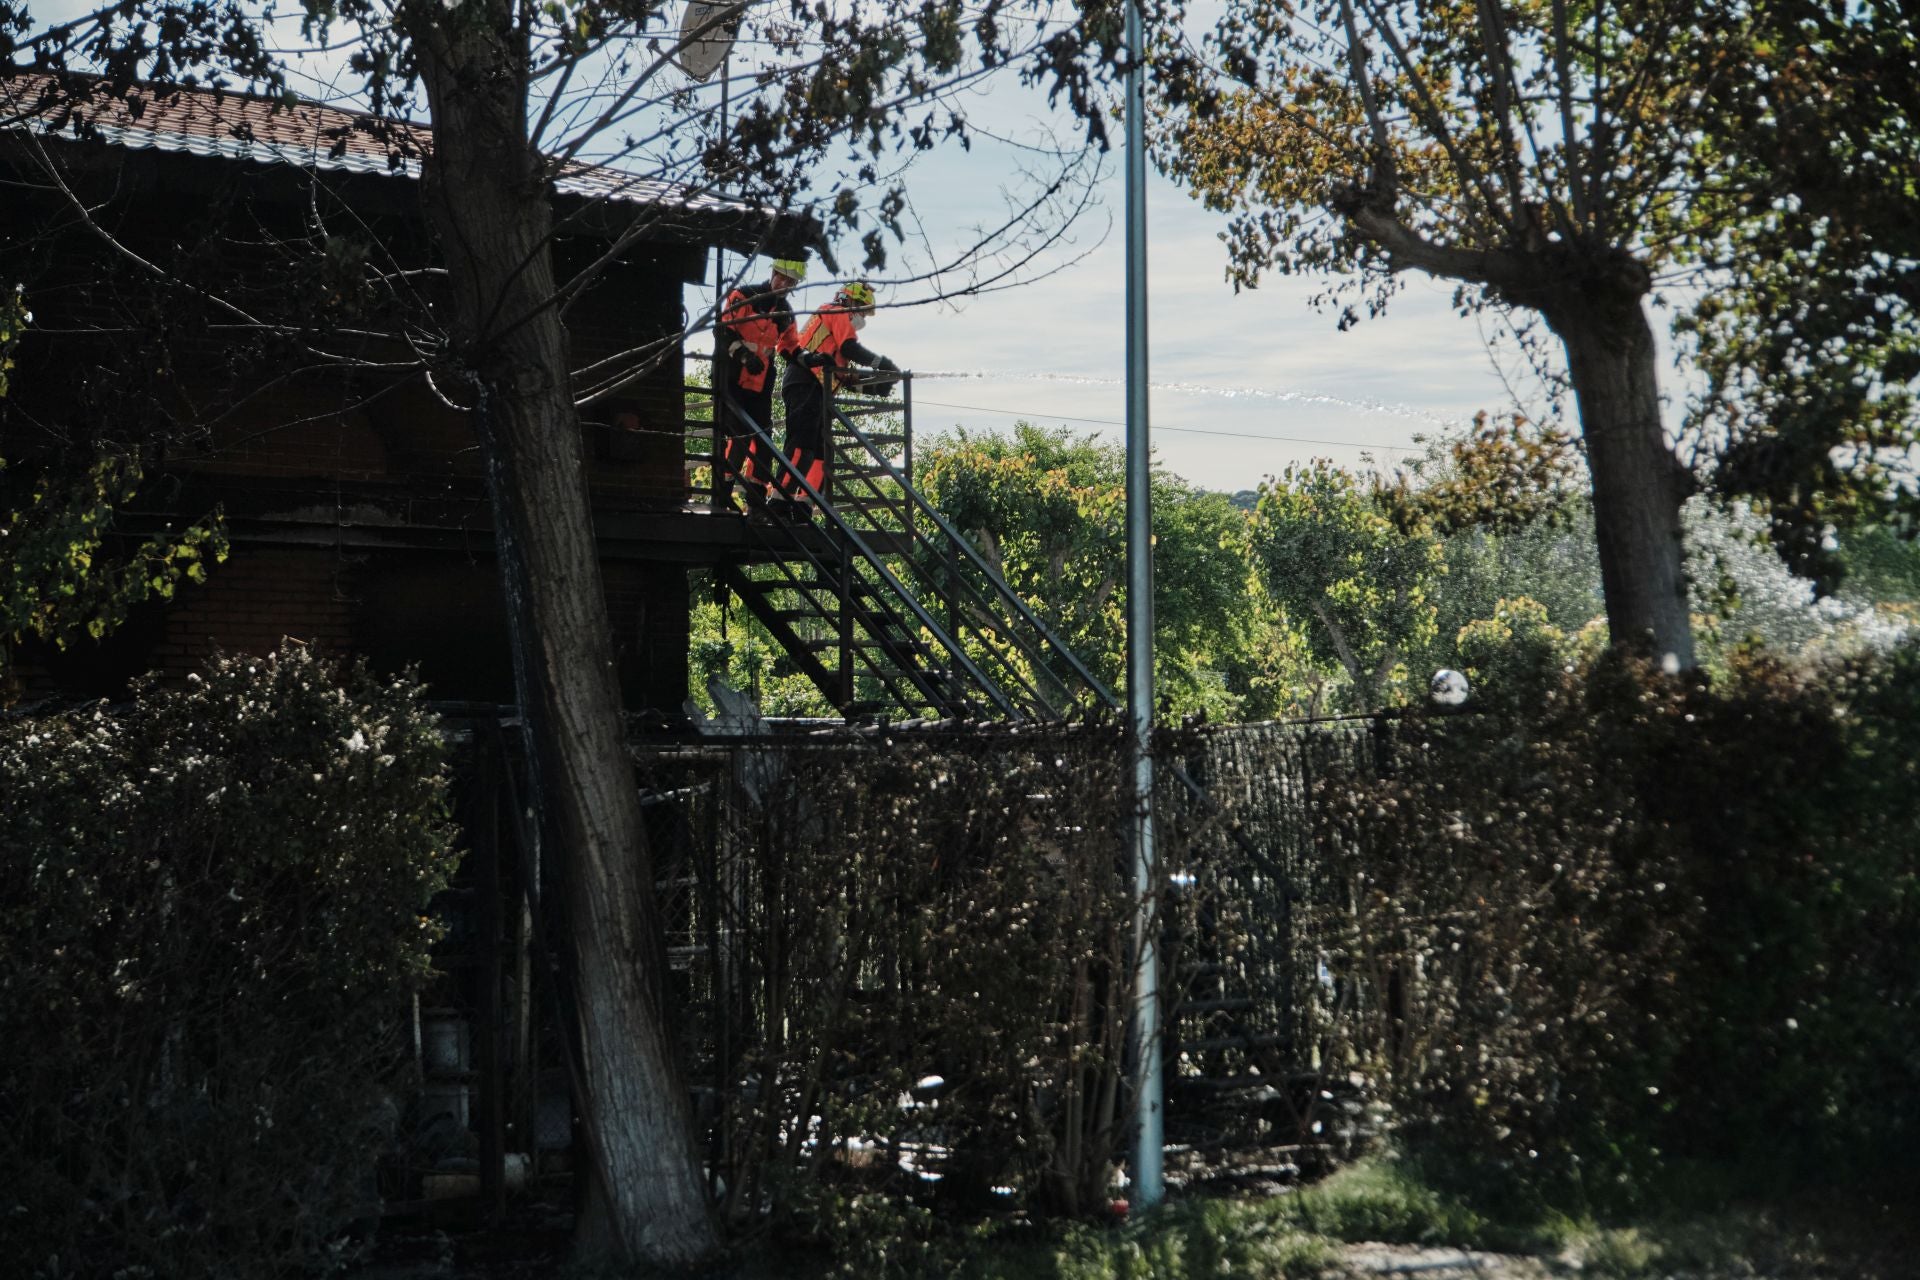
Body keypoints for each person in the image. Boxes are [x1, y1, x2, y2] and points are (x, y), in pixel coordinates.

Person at [777, 280, 898, 519]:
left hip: (816, 388)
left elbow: (846, 379)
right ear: (850, 301)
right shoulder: (836, 311)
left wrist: (877, 387)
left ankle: (803, 505)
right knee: (802, 446)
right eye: (862, 310)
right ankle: (779, 501)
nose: (861, 318)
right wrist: (882, 364)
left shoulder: (833, 332)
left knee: (822, 453)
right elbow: (852, 348)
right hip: (805, 382)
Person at [713, 257, 808, 510]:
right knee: (739, 436)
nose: (785, 284)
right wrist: (744, 356)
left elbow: (789, 348)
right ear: (774, 273)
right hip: (731, 379)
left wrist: (810, 359)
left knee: (764, 440)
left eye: (791, 282)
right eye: (782, 277)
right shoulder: (744, 295)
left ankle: (755, 502)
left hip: (760, 385)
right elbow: (722, 330)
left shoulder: (785, 312)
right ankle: (722, 495)